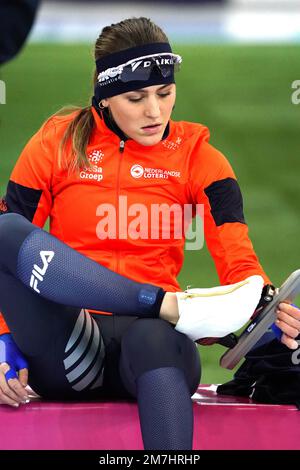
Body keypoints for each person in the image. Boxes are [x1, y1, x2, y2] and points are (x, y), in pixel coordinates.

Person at [0, 17, 299, 450]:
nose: (154, 111)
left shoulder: (200, 157)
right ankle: (165, 304)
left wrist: (263, 306)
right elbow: (13, 251)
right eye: (136, 97)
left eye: (165, 93)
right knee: (4, 229)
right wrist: (4, 340)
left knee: (154, 336)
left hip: (155, 350)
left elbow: (237, 258)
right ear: (103, 97)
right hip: (69, 348)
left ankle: (161, 312)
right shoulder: (55, 143)